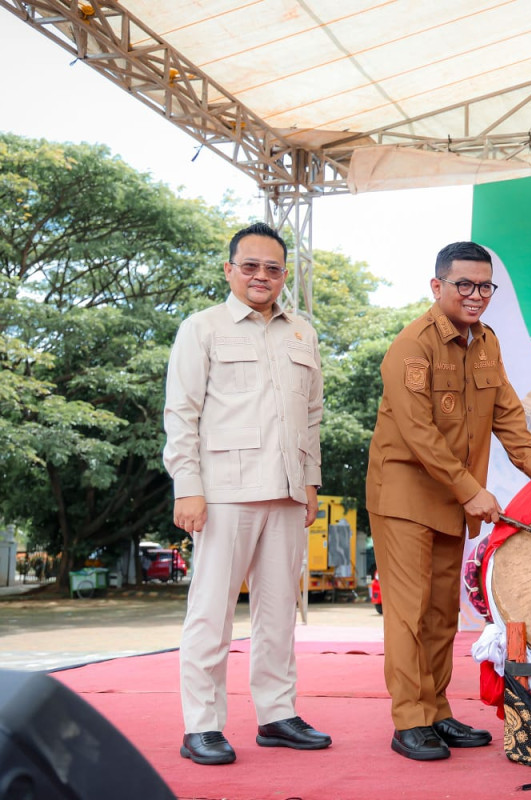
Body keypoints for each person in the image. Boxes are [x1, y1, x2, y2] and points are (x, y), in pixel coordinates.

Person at [366, 241, 531, 761]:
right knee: (409, 612)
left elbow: (510, 419)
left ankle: (436, 711)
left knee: (442, 613)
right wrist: (471, 490)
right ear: (437, 286)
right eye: (464, 284)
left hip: (452, 499)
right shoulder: (412, 345)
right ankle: (409, 720)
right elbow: (419, 434)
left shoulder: (486, 342)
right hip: (404, 495)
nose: (476, 294)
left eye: (485, 285)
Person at [163, 222, 330, 765]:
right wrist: (187, 487)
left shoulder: (302, 333)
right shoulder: (202, 328)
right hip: (223, 492)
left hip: (286, 491)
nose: (262, 276)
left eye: (273, 268)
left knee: (279, 614)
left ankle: (277, 715)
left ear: (284, 275)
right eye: (251, 265)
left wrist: (310, 483)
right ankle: (202, 725)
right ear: (229, 269)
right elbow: (181, 413)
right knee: (211, 612)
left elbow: (312, 415)